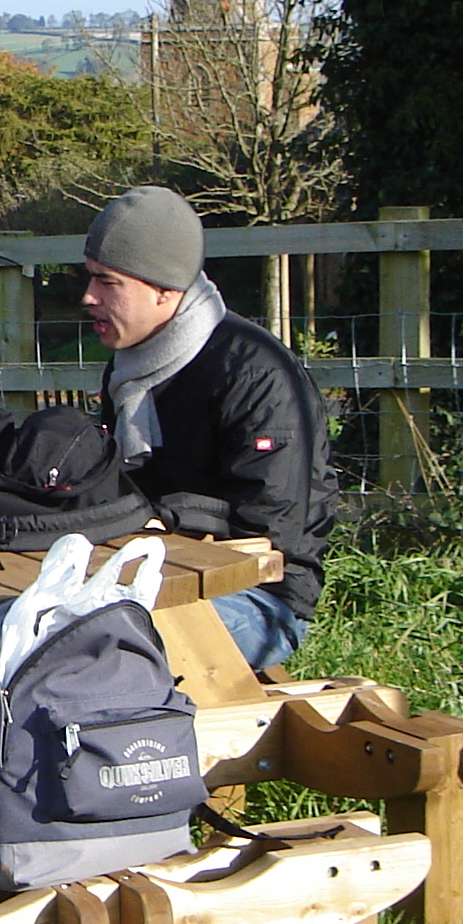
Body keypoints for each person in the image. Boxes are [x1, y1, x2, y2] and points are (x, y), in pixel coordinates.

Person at [79, 185, 336, 671]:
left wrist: (159, 519)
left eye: (108, 282)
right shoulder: (132, 368)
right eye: (89, 276)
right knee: (7, 625)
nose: (88, 296)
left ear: (165, 288)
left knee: (83, 650)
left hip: (259, 598)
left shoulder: (256, 376)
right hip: (150, 573)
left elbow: (271, 526)